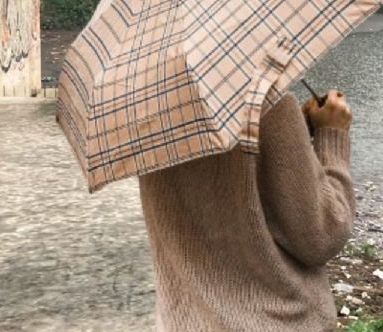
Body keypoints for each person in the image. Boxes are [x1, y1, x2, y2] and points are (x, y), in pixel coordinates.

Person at [138, 90, 355, 331]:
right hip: (274, 321)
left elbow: (215, 178)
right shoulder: (265, 98)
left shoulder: (146, 107)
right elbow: (324, 234)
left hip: (184, 320)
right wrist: (332, 134)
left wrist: (296, 132)